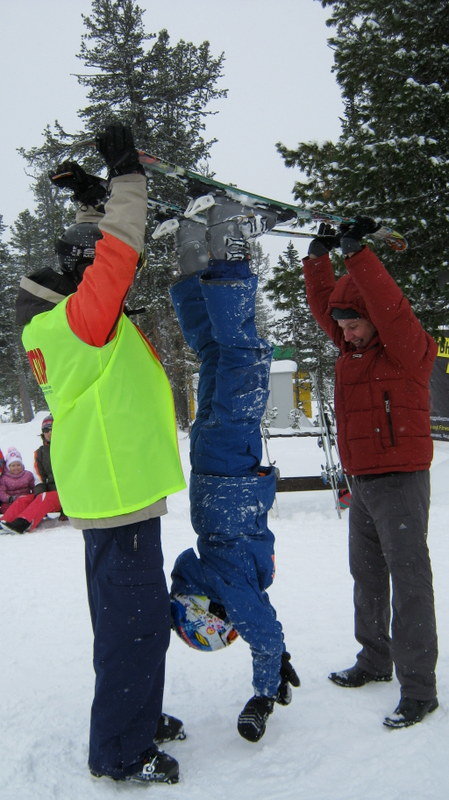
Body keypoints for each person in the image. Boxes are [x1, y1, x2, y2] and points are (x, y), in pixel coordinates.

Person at [15, 123, 186, 784]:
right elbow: (116, 252)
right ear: (72, 293)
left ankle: (137, 718)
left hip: (110, 494)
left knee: (127, 622)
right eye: (78, 275)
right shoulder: (82, 323)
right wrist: (124, 178)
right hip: (117, 499)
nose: (90, 277)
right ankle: (121, 750)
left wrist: (88, 196)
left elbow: (98, 255)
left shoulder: (55, 327)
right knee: (133, 629)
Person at [166, 196, 300, 743]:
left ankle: (229, 247)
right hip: (209, 459)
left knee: (243, 354)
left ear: (221, 616)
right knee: (215, 353)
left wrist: (264, 690)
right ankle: (192, 250)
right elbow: (254, 612)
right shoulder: (204, 572)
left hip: (231, 457)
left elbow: (263, 629)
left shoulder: (231, 588)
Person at [303, 217, 438, 729]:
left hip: (401, 480)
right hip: (361, 481)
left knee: (410, 584)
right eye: (341, 324)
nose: (345, 330)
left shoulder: (408, 351)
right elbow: (327, 306)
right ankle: (374, 660)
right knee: (367, 577)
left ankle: (420, 689)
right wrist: (318, 259)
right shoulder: (348, 347)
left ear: (376, 321)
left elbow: (388, 305)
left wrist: (358, 255)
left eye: (354, 322)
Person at [0, 415, 64, 534]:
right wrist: (39, 492)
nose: (49, 433)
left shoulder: (67, 449)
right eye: (46, 430)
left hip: (66, 494)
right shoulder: (39, 453)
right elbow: (39, 477)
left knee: (45, 498)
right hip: (49, 492)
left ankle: (23, 524)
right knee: (24, 498)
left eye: (53, 429)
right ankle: (4, 521)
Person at [0, 448, 35, 518]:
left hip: (25, 499)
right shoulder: (4, 478)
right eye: (13, 466)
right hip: (10, 502)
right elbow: (1, 492)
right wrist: (10, 498)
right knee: (8, 509)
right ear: (8, 467)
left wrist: (34, 496)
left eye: (18, 465)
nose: (16, 468)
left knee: (30, 506)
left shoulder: (28, 475)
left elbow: (33, 487)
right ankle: (8, 518)